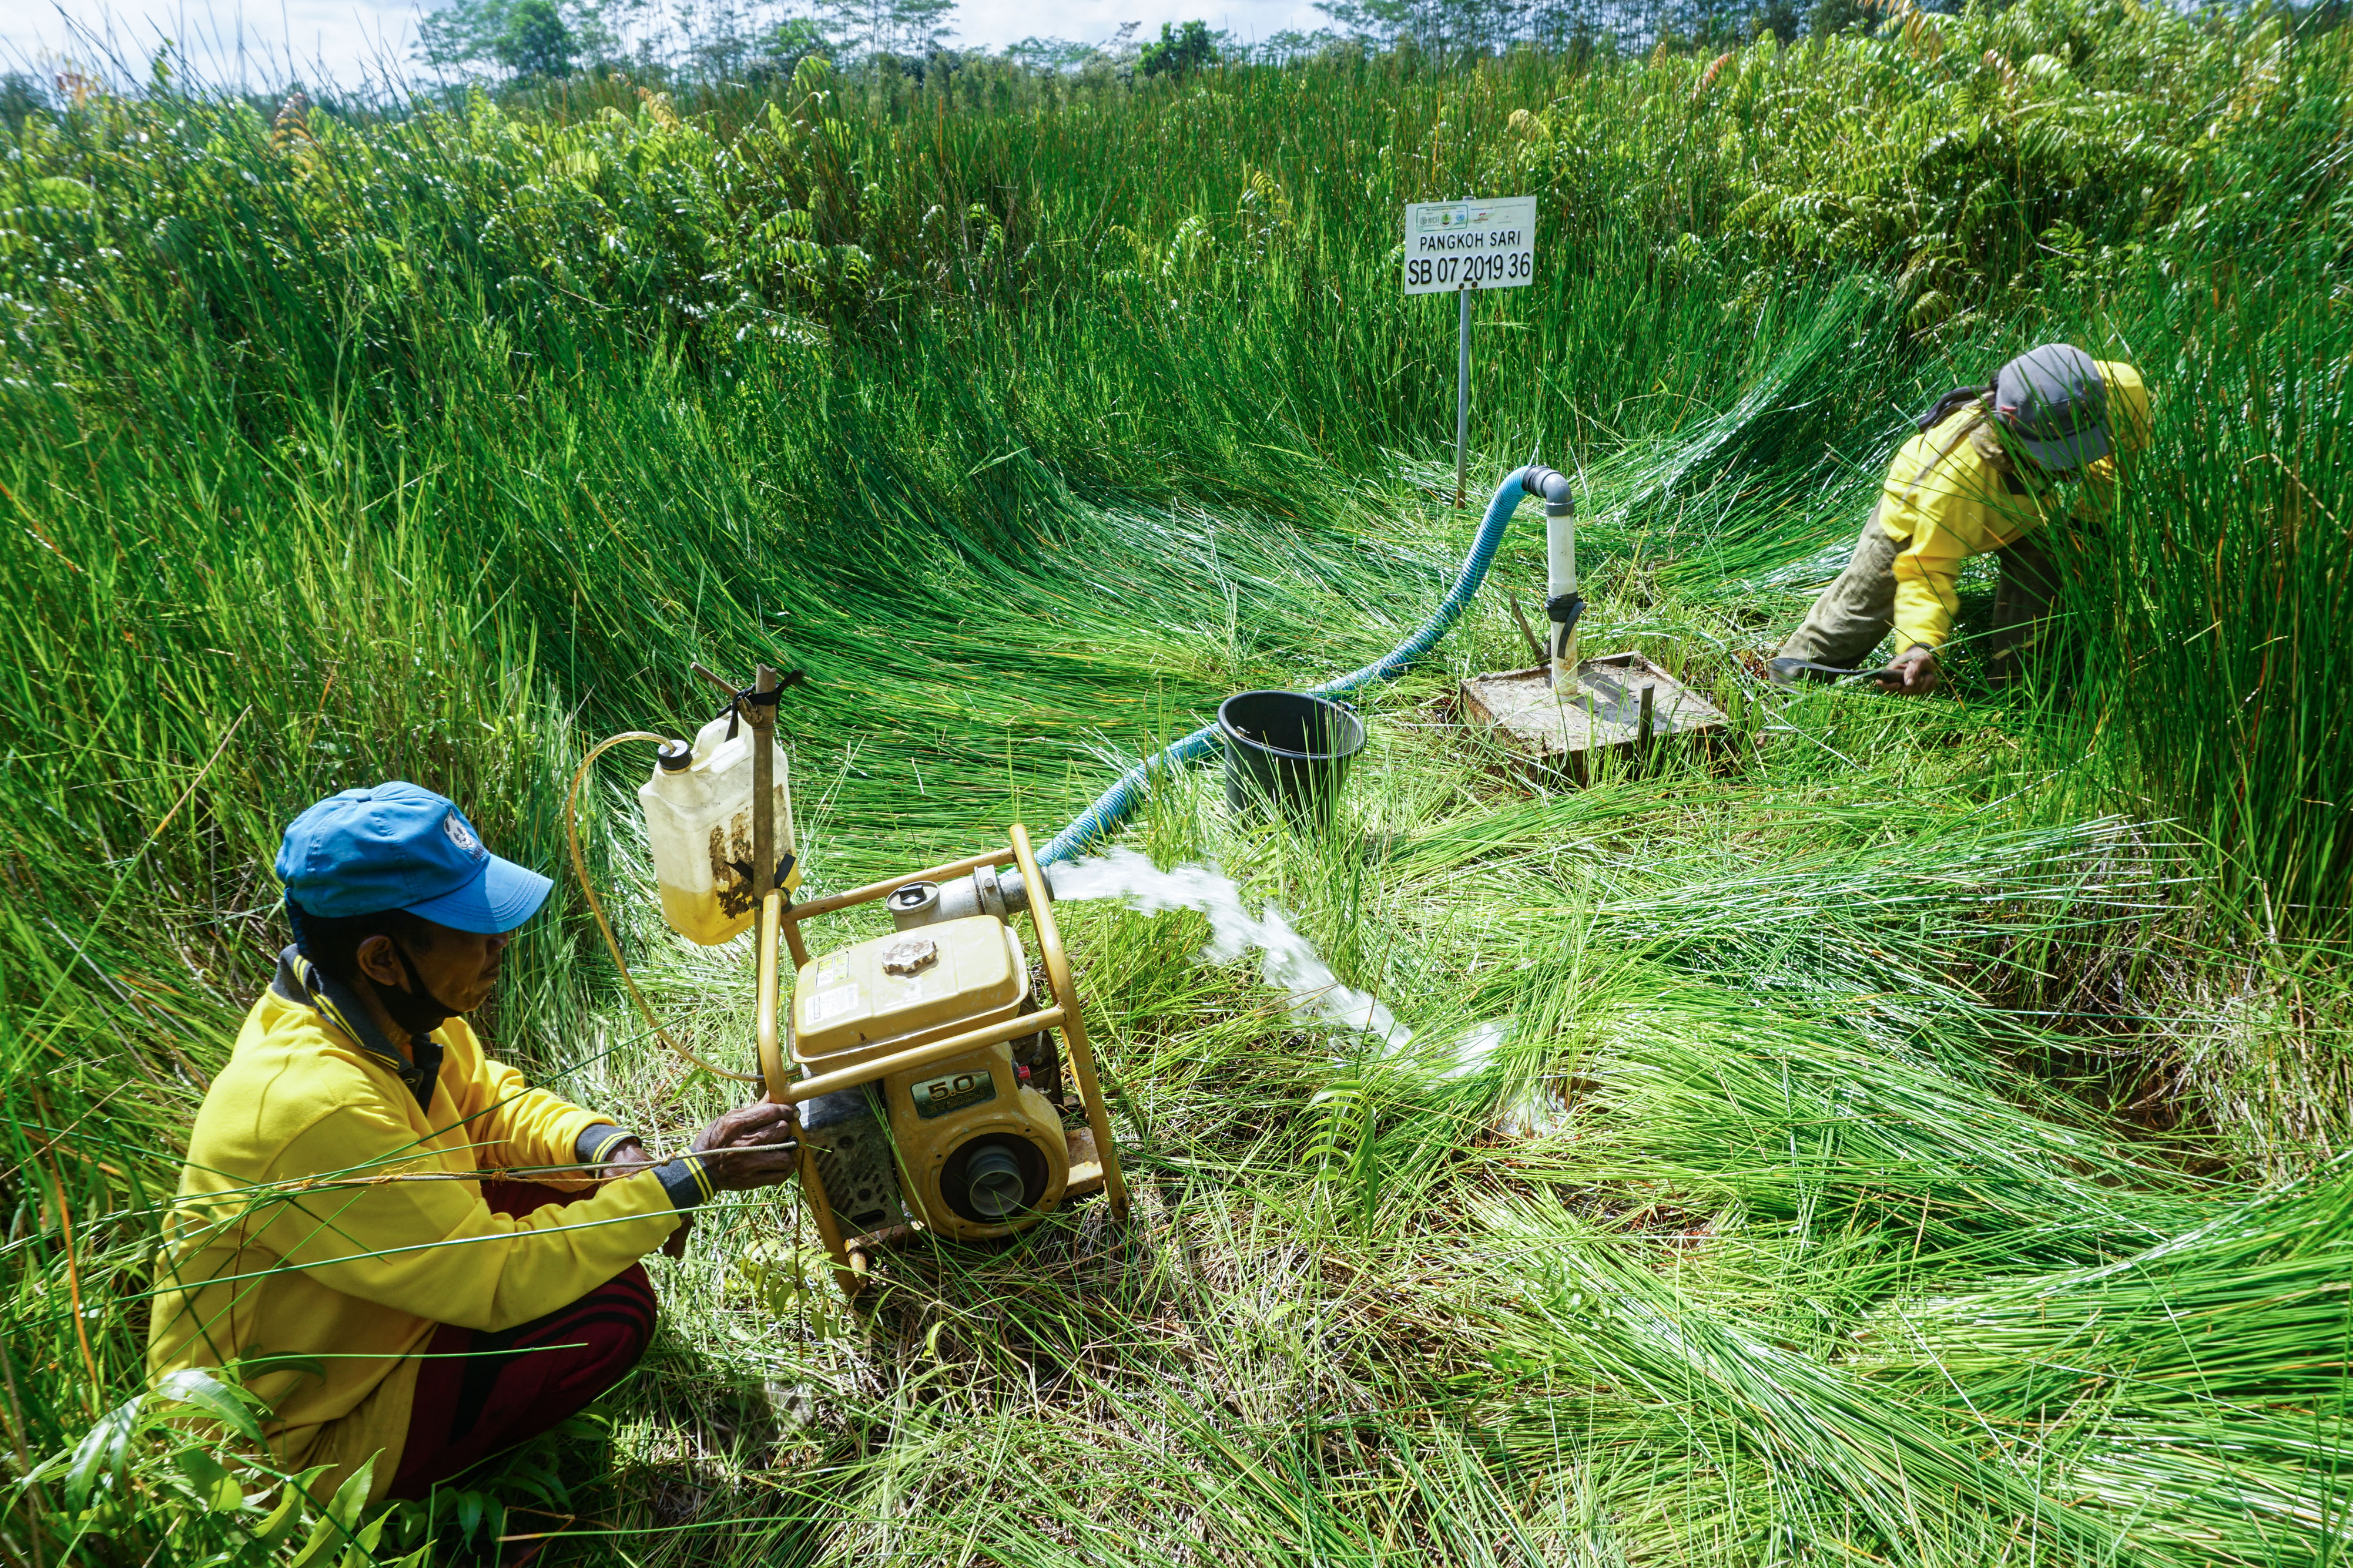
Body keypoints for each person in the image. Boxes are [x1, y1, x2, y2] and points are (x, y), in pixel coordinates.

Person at [148, 781, 799, 1504]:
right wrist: (686, 1180)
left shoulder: (384, 1015)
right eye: (472, 924)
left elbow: (486, 1111)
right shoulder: (310, 1104)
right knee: (609, 1309)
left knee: (567, 1185)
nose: (500, 941)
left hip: (365, 1332)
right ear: (382, 957)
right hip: (275, 1456)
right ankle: (433, 1515)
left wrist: (607, 1152)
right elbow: (494, 1279)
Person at [1769, 343, 2150, 694]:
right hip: (1917, 514)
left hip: (2029, 512)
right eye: (2057, 455)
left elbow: (2117, 465)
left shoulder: (2121, 391)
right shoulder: (1955, 474)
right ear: (2010, 431)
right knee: (1857, 614)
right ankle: (1786, 688)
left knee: (2040, 594)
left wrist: (2087, 528)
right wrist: (1920, 645)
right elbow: (1928, 567)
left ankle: (2016, 692)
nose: (2073, 465)